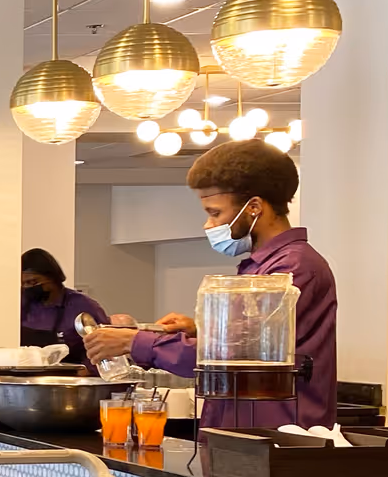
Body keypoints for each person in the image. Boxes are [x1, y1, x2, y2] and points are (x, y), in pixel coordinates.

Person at [83, 140, 337, 430]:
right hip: (246, 428)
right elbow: (255, 340)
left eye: (215, 213)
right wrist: (199, 330)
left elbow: (235, 357)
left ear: (254, 207)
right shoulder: (262, 267)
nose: (208, 225)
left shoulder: (291, 268)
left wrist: (134, 341)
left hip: (274, 435)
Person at [20, 248, 107, 366]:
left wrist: (87, 370)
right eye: (23, 284)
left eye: (32, 282)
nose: (27, 288)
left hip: (71, 378)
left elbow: (104, 348)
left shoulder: (83, 306)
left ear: (52, 277)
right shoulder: (22, 305)